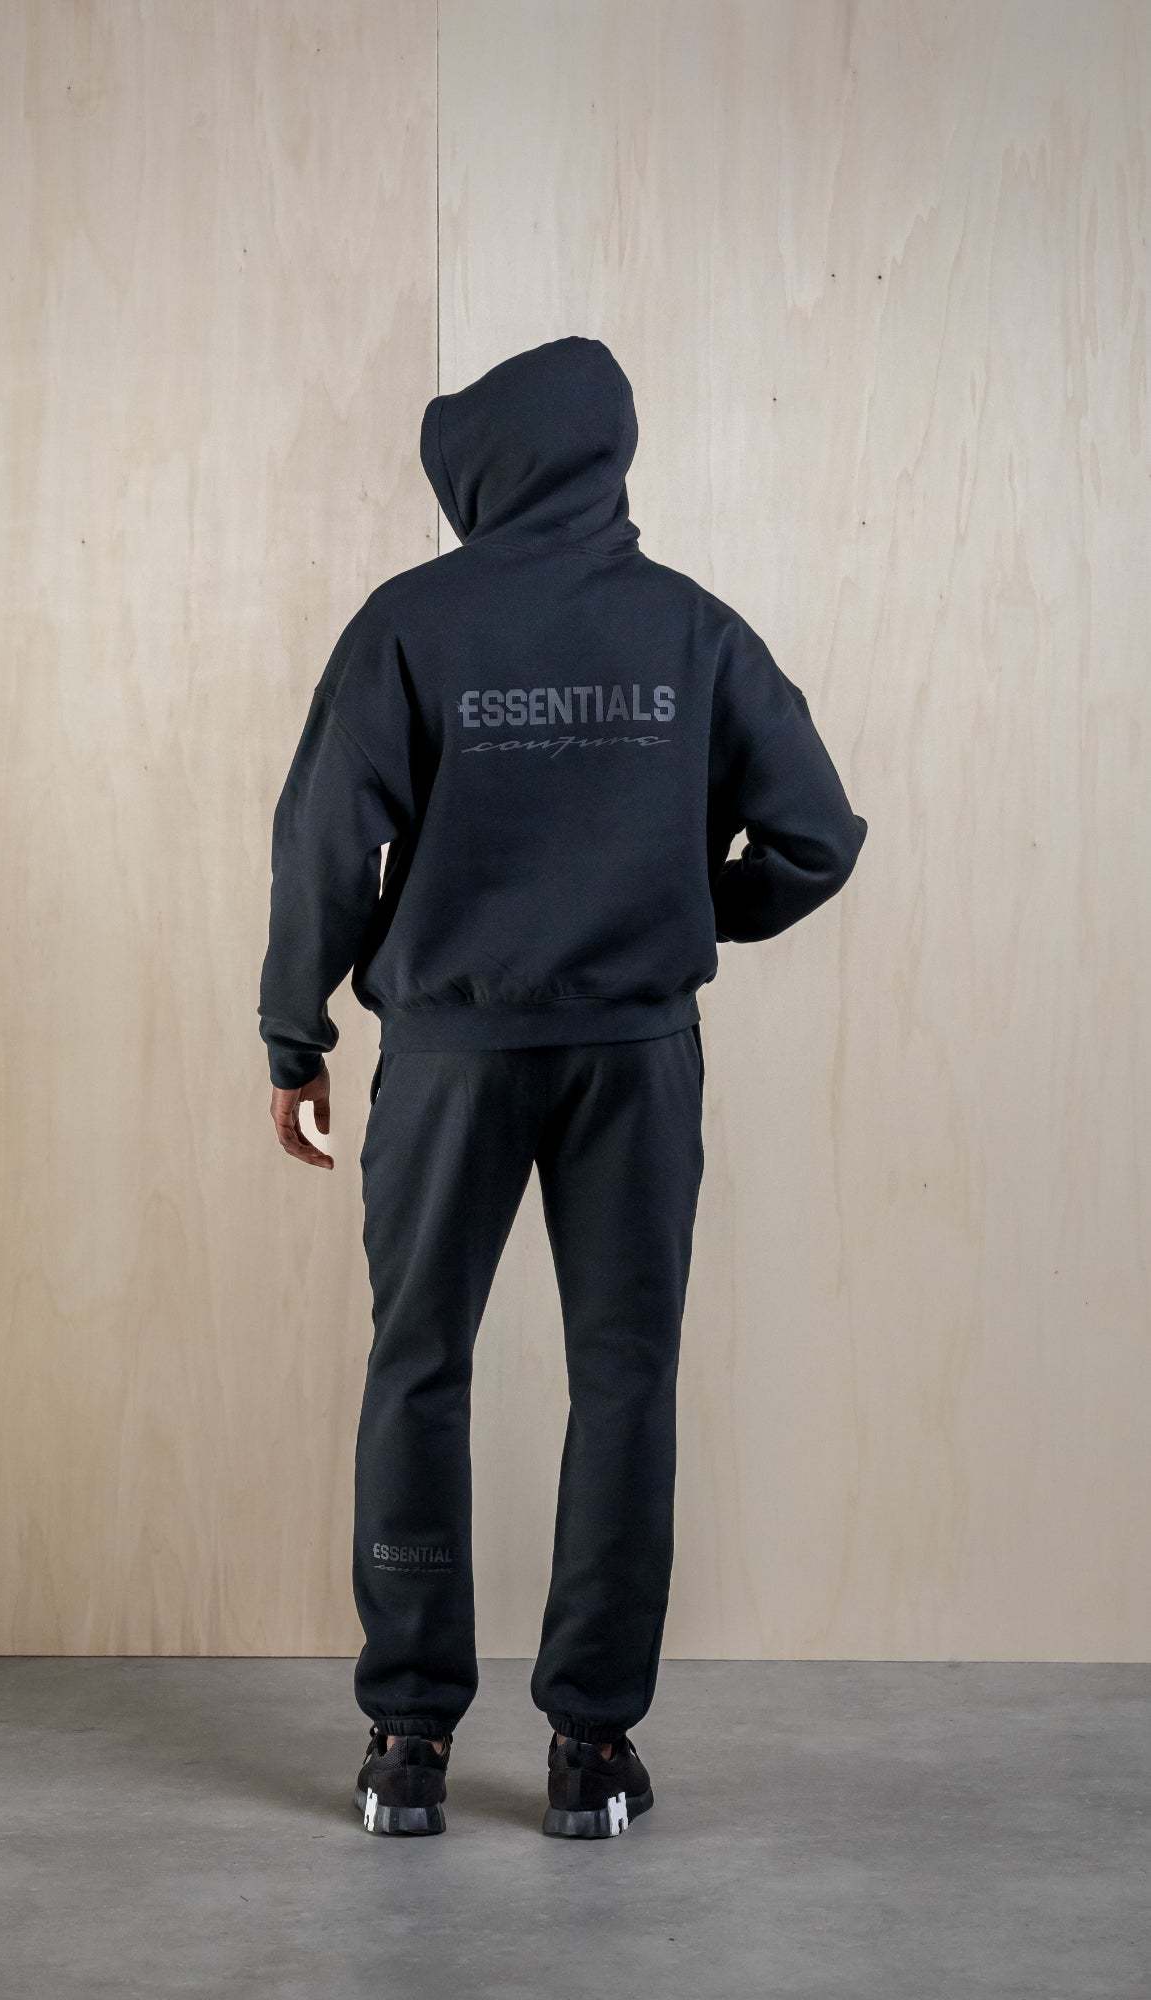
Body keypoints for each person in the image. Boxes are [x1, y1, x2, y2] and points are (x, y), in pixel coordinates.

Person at [258, 335, 867, 1839]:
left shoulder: (411, 624)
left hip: (449, 1062)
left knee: (419, 1369)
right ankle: (591, 1750)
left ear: (485, 468)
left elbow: (326, 839)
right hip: (634, 1061)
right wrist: (686, 910)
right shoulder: (692, 630)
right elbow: (816, 835)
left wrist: (295, 1033)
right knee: (626, 1380)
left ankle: (407, 1742)